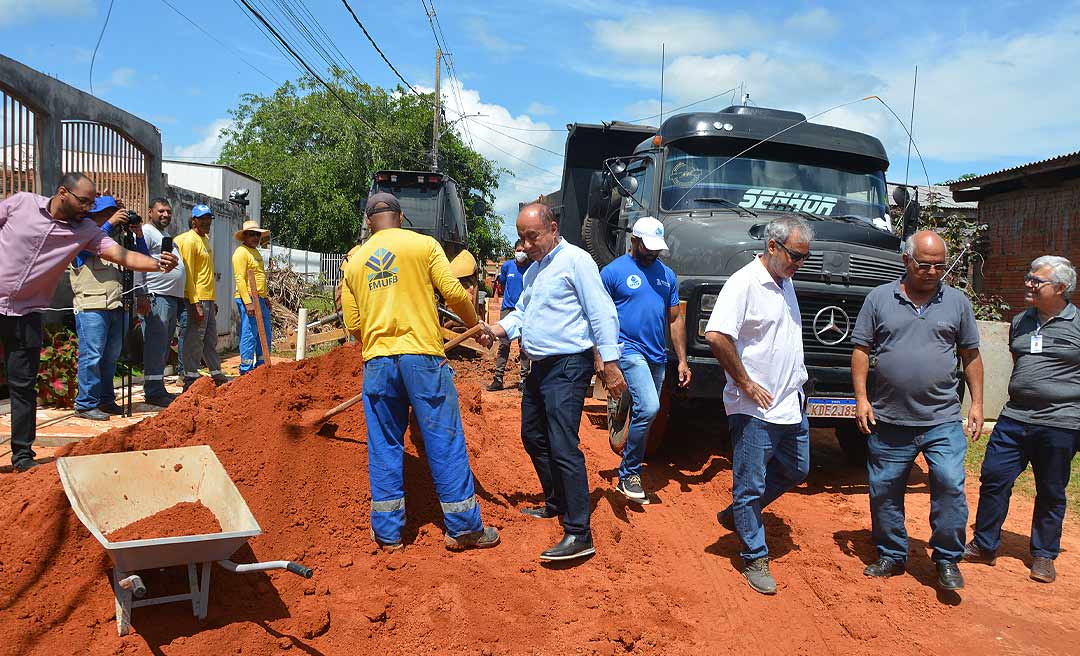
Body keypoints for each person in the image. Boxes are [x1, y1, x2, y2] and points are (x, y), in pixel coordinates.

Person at [340, 192, 499, 552]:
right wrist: (476, 325)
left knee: (384, 444)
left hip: (378, 363)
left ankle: (389, 534)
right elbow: (456, 295)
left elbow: (353, 323)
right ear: (401, 216)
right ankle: (462, 528)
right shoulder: (423, 246)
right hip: (425, 360)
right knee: (443, 439)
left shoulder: (354, 262)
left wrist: (382, 340)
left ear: (369, 222)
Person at [0, 173, 177, 471]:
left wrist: (157, 263)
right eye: (84, 201)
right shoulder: (21, 204)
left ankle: (22, 456)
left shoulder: (84, 231)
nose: (87, 208)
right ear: (62, 193)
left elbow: (122, 255)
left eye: (92, 203)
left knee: (23, 385)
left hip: (27, 313)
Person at [481, 203, 627, 562]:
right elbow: (522, 314)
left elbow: (601, 311)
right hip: (539, 368)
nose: (526, 245)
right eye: (522, 238)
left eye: (532, 236)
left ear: (553, 228)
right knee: (532, 436)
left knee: (563, 443)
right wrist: (496, 331)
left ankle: (579, 532)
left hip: (568, 366)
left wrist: (610, 363)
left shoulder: (576, 260)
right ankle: (555, 502)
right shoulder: (535, 271)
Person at [852, 229, 984, 591]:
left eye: (939, 266)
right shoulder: (879, 299)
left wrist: (977, 403)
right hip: (890, 417)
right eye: (925, 265)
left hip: (941, 417)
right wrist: (862, 399)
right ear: (906, 260)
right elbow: (861, 350)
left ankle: (946, 558)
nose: (932, 272)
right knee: (885, 488)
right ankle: (892, 555)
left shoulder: (957, 302)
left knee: (950, 483)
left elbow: (970, 354)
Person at [704, 215, 814, 595]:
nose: (800, 264)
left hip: (790, 402)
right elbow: (717, 336)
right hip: (755, 408)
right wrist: (745, 382)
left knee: (798, 469)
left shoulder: (785, 283)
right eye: (796, 256)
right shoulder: (745, 282)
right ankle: (754, 554)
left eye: (804, 258)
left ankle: (737, 515)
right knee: (750, 485)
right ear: (772, 246)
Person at [965, 256, 1079, 584]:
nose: (1028, 283)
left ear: (1060, 288)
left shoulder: (1077, 324)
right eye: (1028, 277)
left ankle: (1044, 555)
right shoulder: (1020, 321)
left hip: (1060, 422)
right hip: (1014, 417)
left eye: (1036, 280)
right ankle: (985, 544)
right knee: (994, 477)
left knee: (1051, 489)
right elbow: (1020, 363)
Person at [600, 216, 691, 502]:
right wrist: (602, 356)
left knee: (647, 410)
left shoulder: (667, 275)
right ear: (634, 240)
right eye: (647, 247)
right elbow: (597, 314)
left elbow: (675, 319)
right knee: (650, 407)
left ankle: (624, 401)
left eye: (656, 248)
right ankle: (629, 475)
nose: (652, 253)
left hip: (657, 355)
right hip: (628, 350)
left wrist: (682, 360)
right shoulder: (613, 272)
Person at [70, 195, 150, 420]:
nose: (112, 218)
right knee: (92, 355)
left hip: (117, 304)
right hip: (91, 305)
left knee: (110, 357)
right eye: (106, 214)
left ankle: (105, 399)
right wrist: (110, 223)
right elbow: (87, 248)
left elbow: (142, 259)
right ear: (93, 217)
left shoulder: (117, 241)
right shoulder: (82, 236)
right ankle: (85, 404)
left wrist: (138, 234)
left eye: (113, 213)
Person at [136, 197, 187, 408]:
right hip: (156, 296)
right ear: (150, 212)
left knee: (163, 345)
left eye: (168, 211)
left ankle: (158, 389)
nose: (165, 214)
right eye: (161, 211)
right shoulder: (147, 232)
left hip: (170, 297)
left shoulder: (164, 235)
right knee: (156, 345)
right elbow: (137, 261)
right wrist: (141, 293)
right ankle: (153, 392)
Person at [175, 204, 227, 391]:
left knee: (210, 339)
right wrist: (195, 303)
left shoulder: (204, 239)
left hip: (208, 298)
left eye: (209, 218)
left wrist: (213, 301)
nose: (207, 222)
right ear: (194, 220)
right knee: (194, 340)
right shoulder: (190, 241)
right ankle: (189, 377)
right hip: (196, 299)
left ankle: (215, 372)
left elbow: (206, 273)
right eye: (202, 218)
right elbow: (187, 273)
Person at [487, 239, 531, 392]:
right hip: (507, 309)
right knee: (504, 344)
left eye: (524, 251)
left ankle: (525, 379)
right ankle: (498, 378)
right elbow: (503, 285)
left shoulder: (531, 268)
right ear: (514, 251)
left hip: (525, 310)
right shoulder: (507, 266)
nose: (521, 253)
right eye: (519, 250)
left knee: (524, 345)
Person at [231, 220, 272, 374]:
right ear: (244, 236)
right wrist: (248, 303)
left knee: (264, 333)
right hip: (248, 297)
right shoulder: (241, 253)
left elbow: (260, 276)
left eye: (257, 235)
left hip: (260, 298)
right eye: (252, 234)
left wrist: (265, 297)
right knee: (249, 333)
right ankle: (246, 369)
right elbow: (240, 279)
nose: (255, 237)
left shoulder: (256, 252)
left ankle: (262, 367)